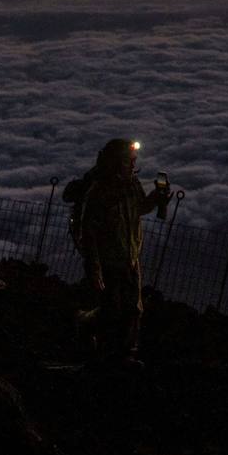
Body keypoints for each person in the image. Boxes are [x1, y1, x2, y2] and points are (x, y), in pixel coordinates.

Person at [63, 138, 170, 369]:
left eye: (134, 162)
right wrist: (94, 267)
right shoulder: (99, 192)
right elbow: (88, 232)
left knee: (133, 308)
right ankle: (88, 327)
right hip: (109, 258)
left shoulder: (131, 184)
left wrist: (156, 199)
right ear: (115, 162)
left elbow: (139, 208)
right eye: (128, 162)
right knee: (113, 309)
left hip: (130, 256)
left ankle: (125, 355)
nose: (133, 166)